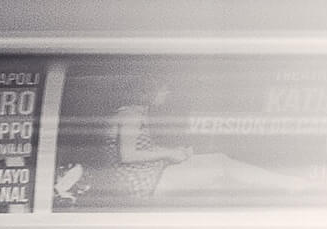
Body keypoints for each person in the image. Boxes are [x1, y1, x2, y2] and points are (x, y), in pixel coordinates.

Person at [79, 78, 310, 204]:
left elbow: (141, 148)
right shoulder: (131, 115)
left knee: (219, 168)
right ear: (148, 91)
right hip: (139, 183)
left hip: (146, 175)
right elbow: (127, 155)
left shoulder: (131, 113)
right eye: (163, 89)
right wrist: (168, 155)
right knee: (220, 168)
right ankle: (290, 185)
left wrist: (173, 152)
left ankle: (285, 187)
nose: (166, 93)